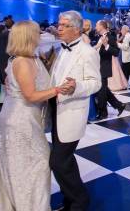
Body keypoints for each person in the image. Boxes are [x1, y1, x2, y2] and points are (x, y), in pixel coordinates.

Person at [0, 21, 65, 211]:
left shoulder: (30, 58)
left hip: (27, 116)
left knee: (27, 164)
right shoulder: (22, 62)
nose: (40, 36)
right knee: (35, 164)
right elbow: (31, 95)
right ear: (28, 37)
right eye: (37, 33)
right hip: (20, 119)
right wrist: (58, 89)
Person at [49, 11, 102, 211]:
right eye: (59, 24)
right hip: (56, 110)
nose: (59, 28)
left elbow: (95, 83)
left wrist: (77, 87)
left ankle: (80, 202)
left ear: (77, 29)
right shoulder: (59, 48)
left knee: (58, 161)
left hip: (72, 112)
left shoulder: (88, 52)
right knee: (65, 161)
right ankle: (70, 201)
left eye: (64, 25)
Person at [94, 20, 126, 120]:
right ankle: (119, 105)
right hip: (97, 67)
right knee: (103, 90)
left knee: (101, 91)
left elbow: (116, 52)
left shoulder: (110, 37)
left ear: (101, 26)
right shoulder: (98, 37)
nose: (95, 26)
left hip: (104, 67)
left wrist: (106, 45)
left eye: (96, 25)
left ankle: (103, 113)